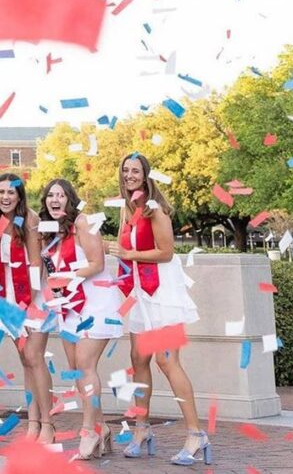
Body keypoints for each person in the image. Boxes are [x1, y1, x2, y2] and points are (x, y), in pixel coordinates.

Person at [110, 153, 209, 466]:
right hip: (139, 293)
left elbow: (166, 252)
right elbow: (121, 247)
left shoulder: (155, 209)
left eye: (135, 171)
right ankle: (142, 430)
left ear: (146, 174)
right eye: (125, 170)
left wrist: (130, 253)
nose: (129, 175)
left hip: (161, 292)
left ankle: (196, 434)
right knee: (138, 359)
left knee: (168, 362)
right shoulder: (127, 207)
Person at [39, 178, 122, 460]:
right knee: (76, 370)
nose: (55, 200)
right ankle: (103, 428)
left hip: (95, 302)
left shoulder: (83, 222)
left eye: (60, 195)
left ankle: (88, 432)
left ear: (70, 199)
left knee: (86, 366)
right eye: (50, 195)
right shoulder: (50, 231)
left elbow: (97, 263)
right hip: (69, 305)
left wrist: (69, 277)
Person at [0, 173, 54, 446]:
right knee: (26, 361)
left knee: (35, 358)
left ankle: (48, 423)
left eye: (11, 193)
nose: (5, 197)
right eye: (1, 192)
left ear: (19, 196)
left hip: (34, 298)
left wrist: (27, 308)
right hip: (10, 299)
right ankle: (33, 422)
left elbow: (36, 266)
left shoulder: (30, 220)